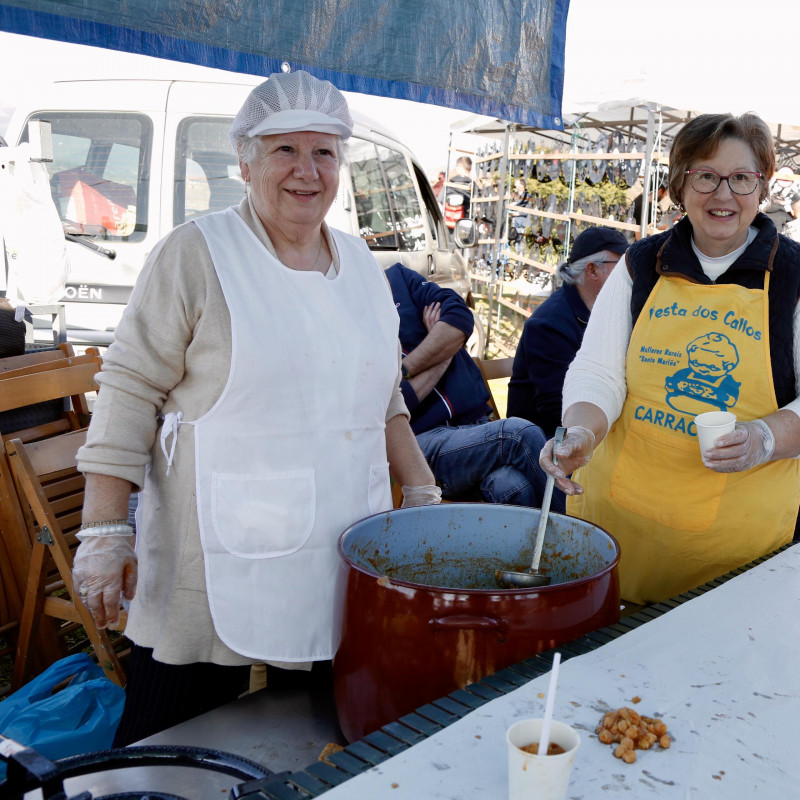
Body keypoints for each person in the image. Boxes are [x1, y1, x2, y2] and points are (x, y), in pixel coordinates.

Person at [70, 71, 440, 745]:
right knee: (166, 746)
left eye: (324, 152)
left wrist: (419, 489)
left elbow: (382, 393)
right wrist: (103, 532)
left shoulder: (359, 263)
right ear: (245, 159)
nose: (307, 171)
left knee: (317, 740)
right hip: (212, 554)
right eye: (284, 151)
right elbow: (127, 389)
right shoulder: (196, 254)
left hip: (341, 545)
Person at [539, 112, 800, 605]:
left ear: (762, 187)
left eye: (742, 178)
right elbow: (597, 371)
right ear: (679, 185)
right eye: (705, 176)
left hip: (737, 550)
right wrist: (581, 430)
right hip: (618, 527)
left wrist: (764, 437)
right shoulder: (640, 265)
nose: (723, 194)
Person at [384, 262, 557, 510]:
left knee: (512, 486)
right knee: (521, 434)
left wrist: (404, 369)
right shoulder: (353, 322)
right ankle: (573, 535)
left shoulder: (397, 278)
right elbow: (399, 399)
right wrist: (443, 350)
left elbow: (459, 316)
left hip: (478, 430)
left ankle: (524, 549)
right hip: (421, 444)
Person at [507, 226, 627, 437]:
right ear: (592, 270)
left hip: (588, 432)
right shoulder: (549, 324)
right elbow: (558, 409)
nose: (629, 274)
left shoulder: (609, 311)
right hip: (542, 446)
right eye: (622, 267)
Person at [443, 156, 474, 229]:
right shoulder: (473, 186)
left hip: (449, 224)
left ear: (460, 167)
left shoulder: (450, 184)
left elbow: (439, 202)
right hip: (467, 225)